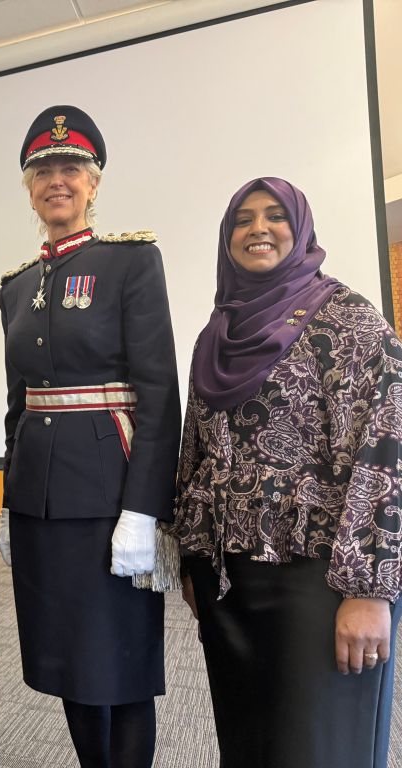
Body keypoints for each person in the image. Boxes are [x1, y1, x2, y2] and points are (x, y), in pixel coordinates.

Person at [174, 177, 402, 768]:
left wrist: (369, 592)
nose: (258, 229)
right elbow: (195, 453)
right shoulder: (216, 335)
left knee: (315, 746)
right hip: (229, 582)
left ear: (300, 231)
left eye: (275, 216)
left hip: (318, 580)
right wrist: (192, 561)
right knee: (249, 742)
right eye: (242, 219)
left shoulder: (349, 321)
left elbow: (385, 455)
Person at [0, 106, 181, 768]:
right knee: (69, 664)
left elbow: (158, 393)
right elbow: (18, 403)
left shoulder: (131, 262)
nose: (57, 180)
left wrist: (143, 510)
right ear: (29, 188)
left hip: (109, 502)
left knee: (121, 669)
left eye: (71, 168)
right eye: (44, 170)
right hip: (41, 506)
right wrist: (11, 501)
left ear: (93, 183)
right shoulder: (15, 287)